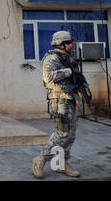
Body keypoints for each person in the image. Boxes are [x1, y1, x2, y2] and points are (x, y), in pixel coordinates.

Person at [32, 31, 83, 178]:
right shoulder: (52, 57)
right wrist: (68, 72)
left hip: (70, 98)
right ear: (60, 44)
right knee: (62, 133)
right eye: (68, 43)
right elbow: (48, 77)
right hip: (59, 100)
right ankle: (40, 159)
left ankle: (62, 164)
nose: (71, 45)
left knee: (71, 134)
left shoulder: (68, 58)